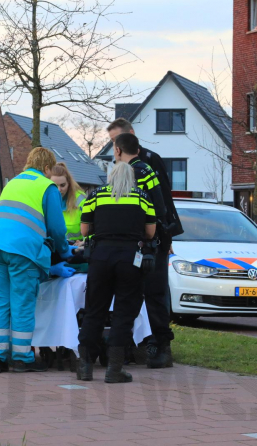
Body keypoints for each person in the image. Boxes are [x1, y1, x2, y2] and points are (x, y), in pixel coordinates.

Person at [0, 147, 74, 373]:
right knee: (22, 302)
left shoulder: (12, 183)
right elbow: (57, 228)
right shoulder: (47, 186)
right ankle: (22, 358)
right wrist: (65, 251)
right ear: (46, 168)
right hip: (21, 250)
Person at [107, 118, 183, 369]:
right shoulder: (131, 166)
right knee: (137, 295)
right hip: (142, 241)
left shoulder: (147, 164)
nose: (113, 148)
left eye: (114, 143)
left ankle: (159, 346)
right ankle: (136, 346)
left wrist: (164, 236)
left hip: (148, 241)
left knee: (151, 294)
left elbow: (161, 204)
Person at [76, 162, 158, 383]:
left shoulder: (95, 196)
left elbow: (84, 230)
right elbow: (150, 232)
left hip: (101, 256)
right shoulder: (141, 197)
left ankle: (85, 367)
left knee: (94, 310)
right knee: (124, 312)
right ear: (131, 178)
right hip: (130, 257)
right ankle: (115, 369)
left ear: (110, 177)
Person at [50, 162, 86, 243]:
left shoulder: (81, 200)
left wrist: (84, 243)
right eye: (55, 186)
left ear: (69, 184)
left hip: (76, 248)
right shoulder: (44, 200)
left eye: (62, 185)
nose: (59, 190)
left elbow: (91, 228)